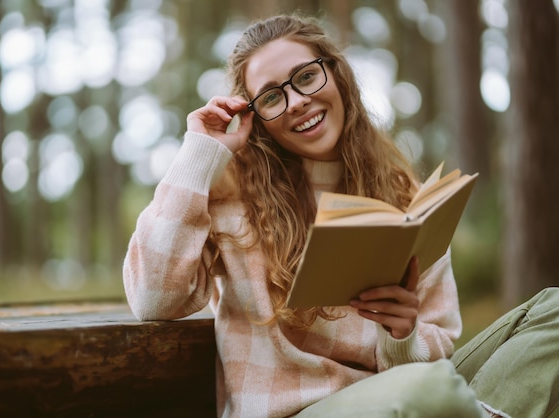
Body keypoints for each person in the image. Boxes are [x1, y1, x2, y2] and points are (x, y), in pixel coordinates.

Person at [123, 14, 559, 418]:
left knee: (552, 309)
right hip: (300, 411)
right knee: (431, 391)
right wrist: (199, 153)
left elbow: (441, 341)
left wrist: (402, 334)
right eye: (272, 97)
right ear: (257, 118)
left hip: (408, 393)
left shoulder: (403, 196)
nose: (296, 101)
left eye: (307, 77)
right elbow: (152, 299)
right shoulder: (231, 196)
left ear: (337, 73)